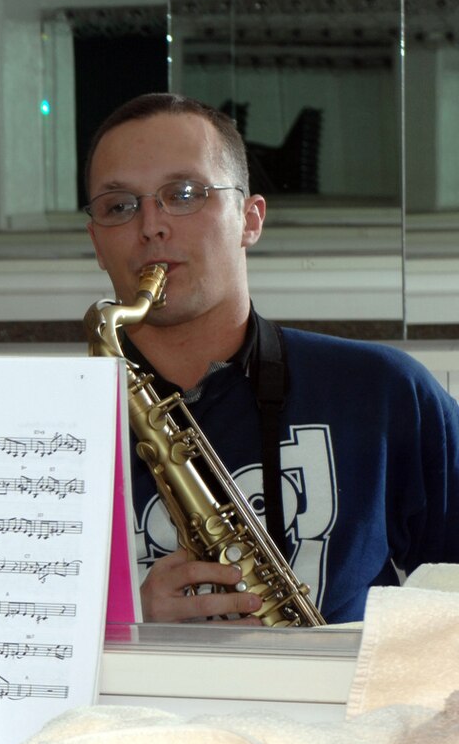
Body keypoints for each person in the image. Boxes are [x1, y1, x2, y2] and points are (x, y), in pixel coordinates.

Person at [83, 92, 459, 623]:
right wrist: (118, 625)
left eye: (184, 193)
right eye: (120, 205)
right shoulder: (52, 429)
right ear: (97, 242)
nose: (151, 226)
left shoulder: (383, 392)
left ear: (249, 219)